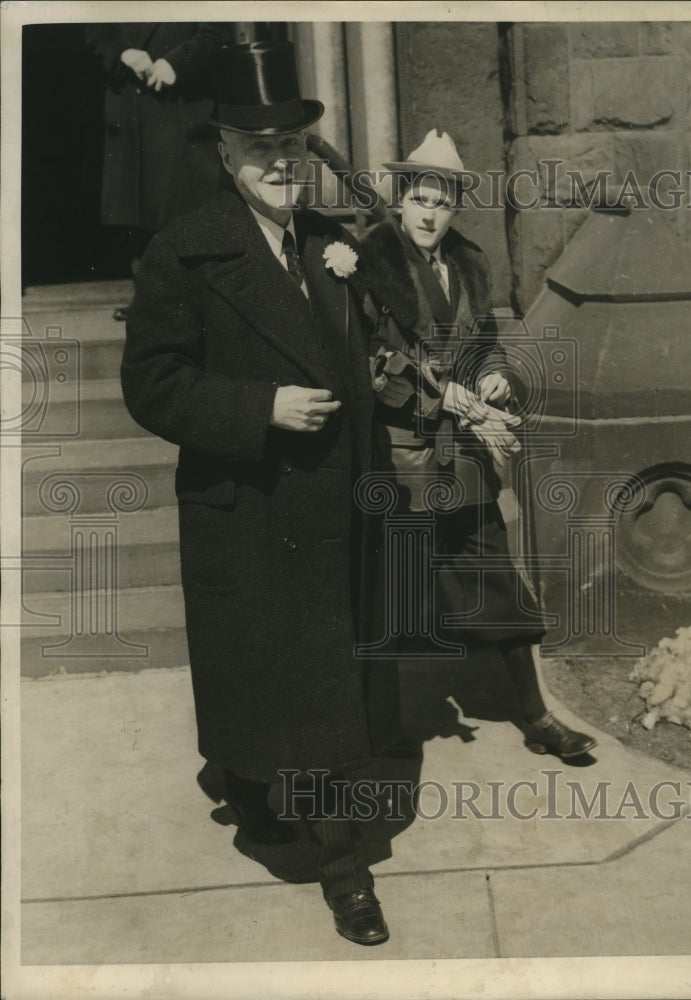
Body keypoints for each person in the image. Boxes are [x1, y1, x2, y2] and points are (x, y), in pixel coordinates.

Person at [121, 42, 389, 946]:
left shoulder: (331, 248)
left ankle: (268, 799)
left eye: (296, 149)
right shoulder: (185, 252)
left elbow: (365, 367)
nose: (282, 166)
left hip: (337, 505)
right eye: (258, 149)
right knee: (278, 687)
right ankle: (344, 869)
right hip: (250, 506)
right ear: (226, 156)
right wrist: (258, 406)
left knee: (315, 692)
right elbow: (152, 386)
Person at [361, 130, 597, 760]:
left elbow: (484, 341)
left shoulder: (469, 262)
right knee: (394, 590)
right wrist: (442, 398)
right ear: (401, 199)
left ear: (455, 205)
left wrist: (492, 374)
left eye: (441, 200)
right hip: (403, 453)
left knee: (498, 575)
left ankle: (537, 715)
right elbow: (372, 364)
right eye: (419, 198)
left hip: (461, 454)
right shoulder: (371, 262)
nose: (429, 213)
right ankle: (377, 735)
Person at [86, 22, 230, 318]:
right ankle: (150, 299)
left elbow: (216, 30)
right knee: (138, 211)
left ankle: (193, 299)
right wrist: (122, 53)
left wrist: (176, 61)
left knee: (184, 204)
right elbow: (96, 30)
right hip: (131, 103)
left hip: (182, 102)